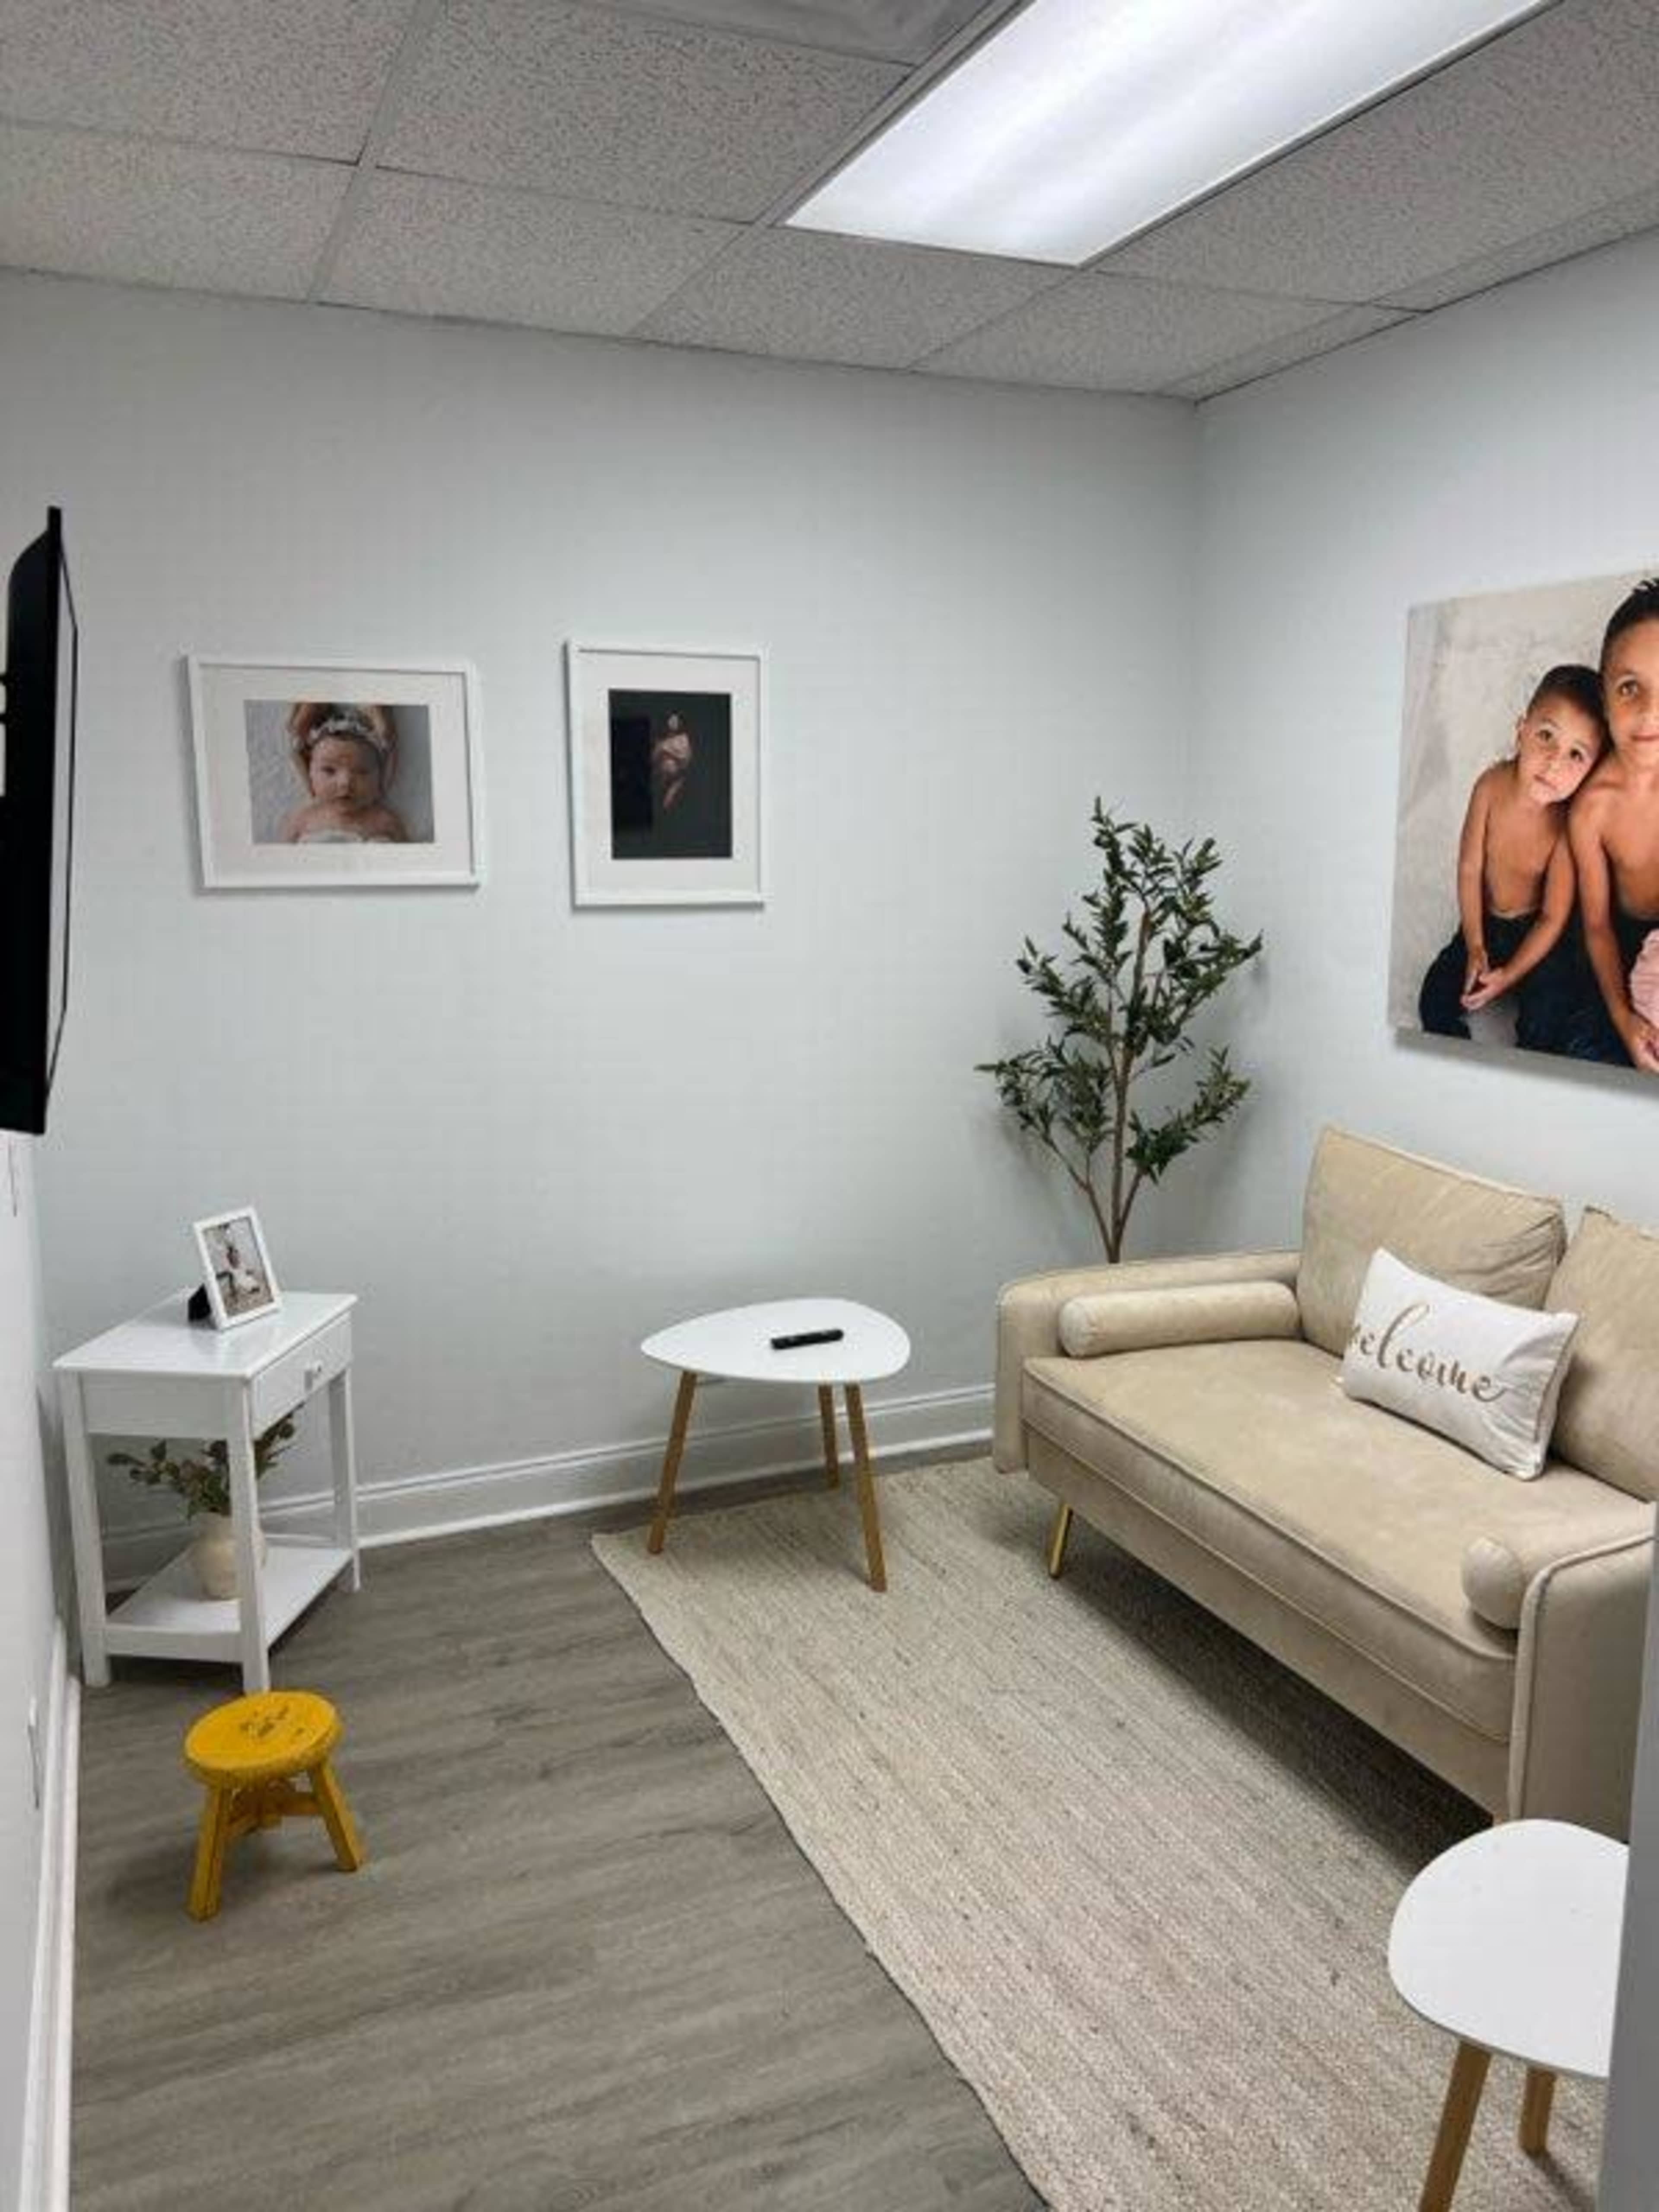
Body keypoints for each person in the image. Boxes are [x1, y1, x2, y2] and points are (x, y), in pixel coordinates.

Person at [1417, 663, 1605, 1048]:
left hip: (1535, 934)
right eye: (1546, 735)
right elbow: (1470, 869)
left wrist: (1511, 975)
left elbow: (1553, 918)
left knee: (1548, 1018)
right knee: (1434, 997)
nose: (1555, 760)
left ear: (1590, 772)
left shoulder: (1568, 827)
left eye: (1576, 755)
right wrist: (1474, 944)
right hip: (1484, 922)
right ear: (1521, 730)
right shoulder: (1489, 787)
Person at [1566, 578, 1659, 1071]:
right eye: (1630, 689)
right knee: (1580, 1042)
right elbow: (1597, 925)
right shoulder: (1593, 809)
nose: (1650, 713)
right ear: (1604, 701)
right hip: (1615, 939)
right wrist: (1625, 1020)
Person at [281, 702, 408, 844]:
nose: (346, 783)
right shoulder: (303, 821)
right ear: (309, 772)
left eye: (362, 772)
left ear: (381, 776)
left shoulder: (386, 822)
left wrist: (386, 734)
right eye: (329, 771)